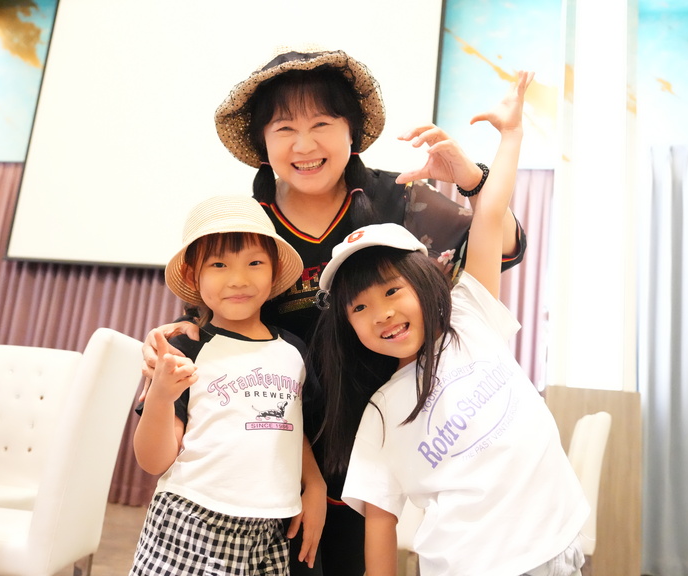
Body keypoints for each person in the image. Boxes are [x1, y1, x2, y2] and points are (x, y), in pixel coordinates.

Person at [143, 46, 529, 575]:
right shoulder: (246, 226)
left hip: (381, 454)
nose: (304, 145)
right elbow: (206, 328)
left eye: (322, 123)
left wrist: (472, 180)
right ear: (262, 144)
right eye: (284, 129)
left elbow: (499, 246)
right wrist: (174, 339)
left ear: (353, 131)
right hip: (271, 463)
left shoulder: (401, 198)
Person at [311, 72, 589, 576]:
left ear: (424, 281)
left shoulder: (469, 315)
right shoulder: (379, 412)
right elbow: (379, 521)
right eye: (360, 308)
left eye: (392, 291)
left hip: (557, 548)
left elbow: (490, 216)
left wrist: (511, 136)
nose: (383, 313)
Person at [131, 195, 325, 575]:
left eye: (255, 263)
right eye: (219, 264)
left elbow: (287, 426)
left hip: (270, 528)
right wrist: (161, 397)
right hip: (193, 520)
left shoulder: (294, 350)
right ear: (193, 276)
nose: (238, 279)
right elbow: (153, 461)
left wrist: (314, 484)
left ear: (274, 272)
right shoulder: (185, 347)